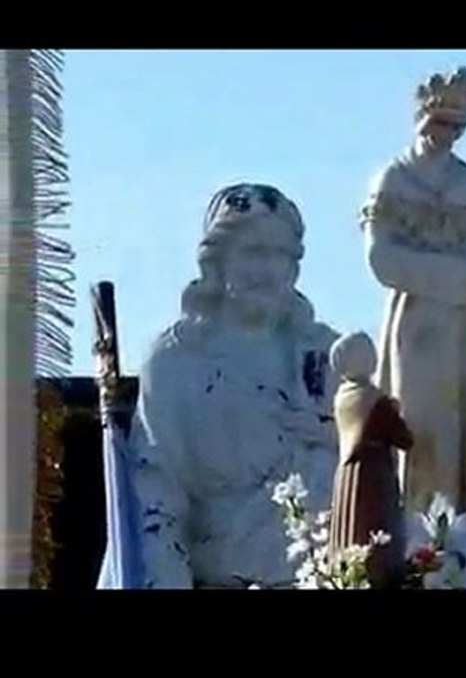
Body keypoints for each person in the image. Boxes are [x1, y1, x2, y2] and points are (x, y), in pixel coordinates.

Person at [97, 183, 340, 589]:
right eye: (254, 252)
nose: (268, 270)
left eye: (280, 255)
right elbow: (156, 497)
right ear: (218, 261)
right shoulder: (176, 361)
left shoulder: (323, 356)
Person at [361, 67, 466, 539]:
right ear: (423, 120)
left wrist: (455, 279)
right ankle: (415, 535)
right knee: (418, 426)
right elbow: (382, 258)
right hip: (417, 325)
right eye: (440, 123)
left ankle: (463, 538)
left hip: (464, 327)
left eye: (456, 127)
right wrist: (454, 275)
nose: (447, 135)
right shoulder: (395, 178)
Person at [327, 331, 413, 588]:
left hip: (347, 475)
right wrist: (395, 411)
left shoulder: (343, 396)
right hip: (374, 475)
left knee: (349, 528)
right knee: (375, 528)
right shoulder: (375, 399)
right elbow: (404, 438)